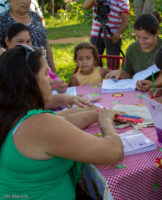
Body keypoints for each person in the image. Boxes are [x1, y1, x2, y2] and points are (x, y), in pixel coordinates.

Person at [0, 45, 124, 198]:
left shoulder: (12, 114)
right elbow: (114, 152)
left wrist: (96, 113)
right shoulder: (40, 125)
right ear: (28, 82)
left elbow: (63, 121)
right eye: (46, 74)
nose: (51, 82)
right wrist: (105, 122)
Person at [106, 13, 162, 92]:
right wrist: (120, 73)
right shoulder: (132, 49)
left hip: (161, 93)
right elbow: (128, 74)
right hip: (137, 93)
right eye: (138, 37)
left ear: (157, 32)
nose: (141, 41)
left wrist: (152, 84)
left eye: (145, 38)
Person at [4, 23, 67, 93]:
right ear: (7, 41)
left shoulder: (34, 59)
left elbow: (52, 76)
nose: (25, 45)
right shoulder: (4, 65)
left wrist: (59, 84)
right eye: (20, 41)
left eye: (28, 41)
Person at [0, 0, 56, 73]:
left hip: (44, 71)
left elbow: (45, 42)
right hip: (18, 73)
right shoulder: (2, 20)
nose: (24, 2)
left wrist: (53, 69)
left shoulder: (35, 17)